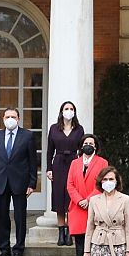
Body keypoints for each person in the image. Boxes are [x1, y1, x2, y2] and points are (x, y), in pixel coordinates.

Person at [0, 107, 39, 256]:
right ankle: (4, 249)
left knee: (19, 216)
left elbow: (32, 161)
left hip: (20, 182)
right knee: (2, 217)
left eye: (13, 116)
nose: (10, 119)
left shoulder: (28, 136)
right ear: (3, 119)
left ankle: (18, 249)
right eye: (7, 116)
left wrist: (32, 183)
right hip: (1, 181)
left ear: (18, 119)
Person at [67, 134, 107, 256]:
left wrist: (89, 200)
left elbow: (102, 183)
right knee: (79, 241)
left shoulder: (102, 162)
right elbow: (70, 185)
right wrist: (79, 200)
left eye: (91, 143)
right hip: (78, 207)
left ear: (95, 146)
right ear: (81, 146)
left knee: (95, 240)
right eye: (86, 143)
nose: (88, 145)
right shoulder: (74, 163)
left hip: (94, 205)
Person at [46, 101, 85, 247]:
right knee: (59, 198)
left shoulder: (79, 129)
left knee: (71, 199)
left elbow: (81, 150)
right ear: (61, 111)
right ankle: (61, 233)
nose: (69, 111)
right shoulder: (54, 129)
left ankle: (70, 232)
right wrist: (49, 168)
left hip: (73, 163)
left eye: (71, 109)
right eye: (66, 109)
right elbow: (50, 150)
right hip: (58, 163)